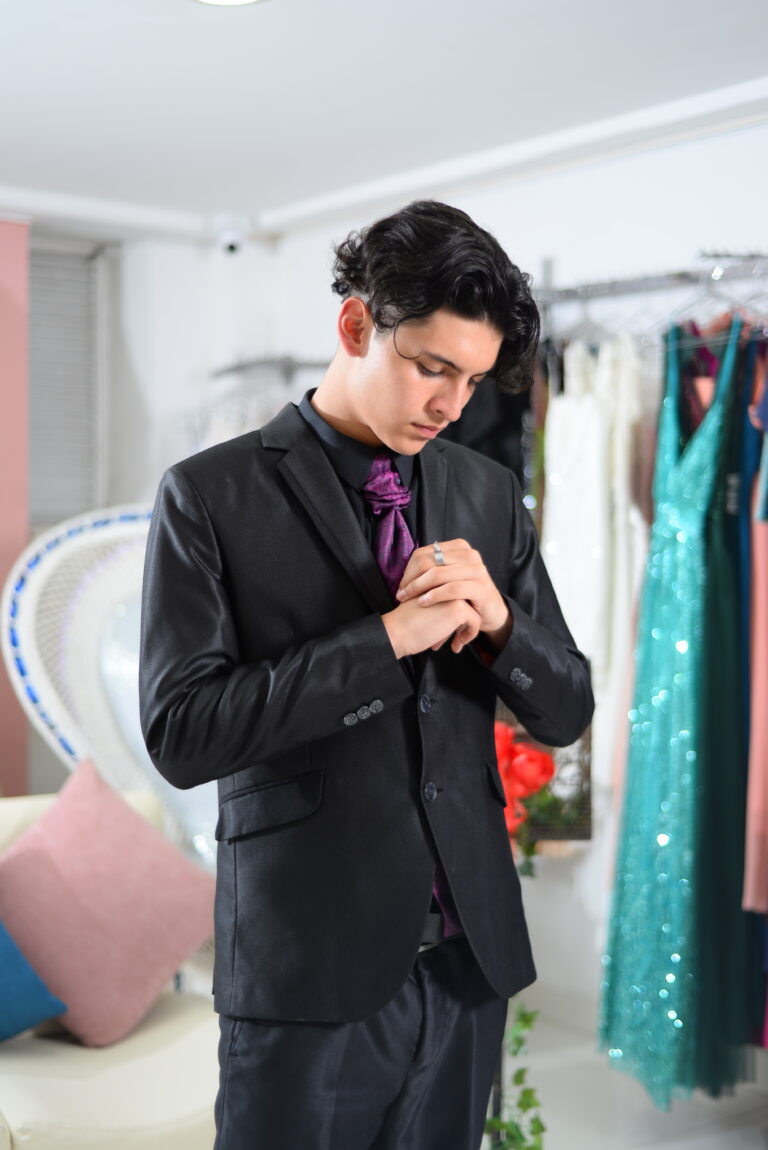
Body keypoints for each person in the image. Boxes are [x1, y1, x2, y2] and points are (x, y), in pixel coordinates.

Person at [139, 199, 593, 1150]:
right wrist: (384, 639)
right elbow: (183, 733)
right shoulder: (209, 494)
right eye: (432, 368)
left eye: (472, 380)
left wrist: (501, 624)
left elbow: (566, 708)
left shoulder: (486, 491)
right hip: (306, 974)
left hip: (467, 965)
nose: (452, 405)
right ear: (355, 325)